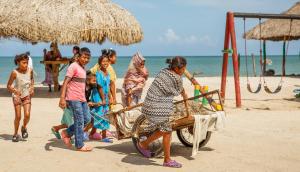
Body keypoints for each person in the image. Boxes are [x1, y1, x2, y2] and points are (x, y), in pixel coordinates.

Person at [138, 56, 188, 168]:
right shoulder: (176, 78)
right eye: (183, 70)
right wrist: (185, 95)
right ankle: (166, 160)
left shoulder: (164, 71)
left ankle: (144, 144)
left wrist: (183, 93)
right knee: (167, 131)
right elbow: (179, 90)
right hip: (156, 107)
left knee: (165, 130)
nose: (184, 72)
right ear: (176, 69)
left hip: (148, 104)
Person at [59, 47, 93, 152]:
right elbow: (65, 82)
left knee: (87, 119)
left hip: (82, 99)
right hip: (73, 98)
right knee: (79, 121)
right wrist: (62, 98)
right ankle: (79, 145)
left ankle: (66, 133)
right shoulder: (73, 66)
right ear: (78, 57)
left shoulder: (83, 68)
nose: (86, 59)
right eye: (84, 57)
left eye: (88, 58)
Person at [7, 53, 34, 142]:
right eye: (23, 63)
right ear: (18, 62)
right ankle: (15, 134)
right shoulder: (14, 72)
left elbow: (32, 79)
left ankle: (24, 127)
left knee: (27, 114)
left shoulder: (30, 70)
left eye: (26, 62)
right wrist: (15, 91)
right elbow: (9, 85)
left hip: (26, 95)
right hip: (17, 96)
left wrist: (32, 87)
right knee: (18, 116)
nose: (26, 65)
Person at [89, 55, 113, 142]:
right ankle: (103, 137)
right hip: (98, 96)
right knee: (99, 115)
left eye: (107, 61)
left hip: (105, 96)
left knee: (104, 115)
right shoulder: (99, 73)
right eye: (103, 61)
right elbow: (99, 87)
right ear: (99, 63)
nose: (105, 63)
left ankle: (92, 134)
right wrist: (103, 99)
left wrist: (111, 98)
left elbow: (108, 86)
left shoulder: (108, 73)